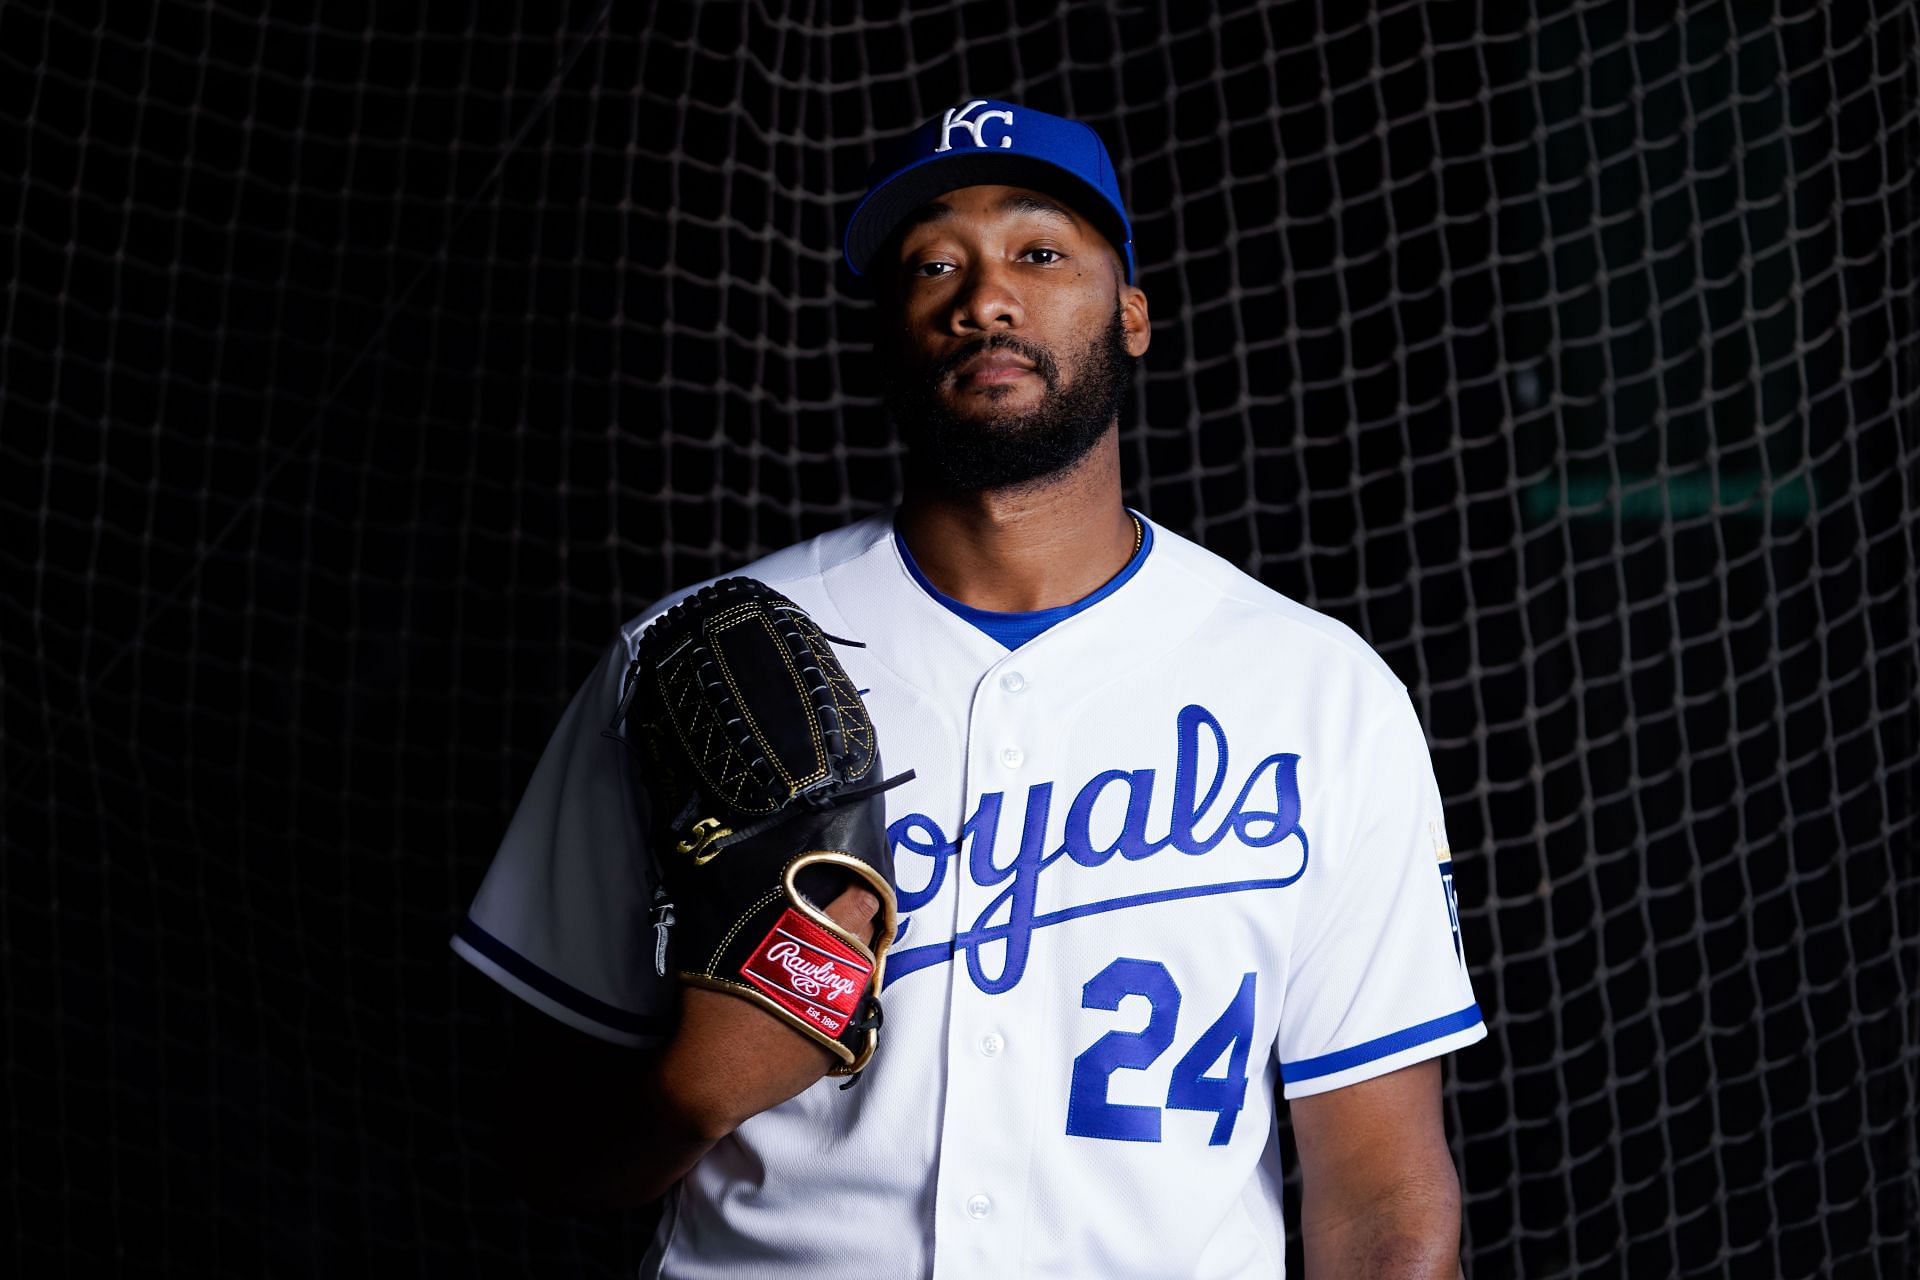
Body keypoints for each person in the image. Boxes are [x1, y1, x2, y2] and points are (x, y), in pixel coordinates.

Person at [453, 98, 1486, 1278]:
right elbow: (537, 1147)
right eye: (934, 264)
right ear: (888, 330)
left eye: (1038, 254)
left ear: (1132, 314)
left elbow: (1387, 1198)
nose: (984, 296)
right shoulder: (693, 662)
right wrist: (693, 1089)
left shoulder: (1320, 692)